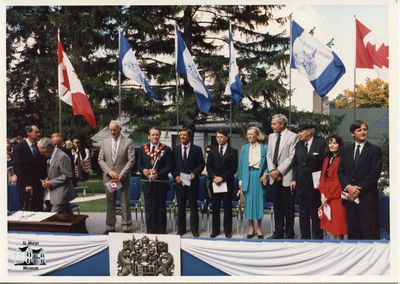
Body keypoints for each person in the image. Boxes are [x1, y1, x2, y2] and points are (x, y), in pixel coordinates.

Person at [338, 120, 382, 240]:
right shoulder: (346, 150)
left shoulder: (375, 150)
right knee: (353, 234)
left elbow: (374, 174)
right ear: (353, 133)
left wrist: (357, 190)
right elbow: (340, 171)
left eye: (365, 129)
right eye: (359, 130)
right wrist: (349, 187)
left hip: (367, 199)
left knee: (369, 233)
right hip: (350, 200)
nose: (363, 132)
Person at [290, 120, 326, 239]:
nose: (298, 134)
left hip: (315, 185)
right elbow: (296, 164)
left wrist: (322, 183)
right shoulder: (299, 145)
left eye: (301, 131)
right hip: (301, 184)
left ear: (309, 131)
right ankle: (304, 237)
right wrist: (294, 179)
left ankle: (317, 237)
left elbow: (325, 165)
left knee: (315, 213)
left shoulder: (321, 143)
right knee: (303, 213)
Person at [98, 120, 135, 234]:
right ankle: (110, 227)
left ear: (120, 129)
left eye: (115, 129)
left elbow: (131, 160)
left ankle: (126, 227)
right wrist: (109, 172)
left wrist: (121, 175)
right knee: (110, 203)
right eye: (111, 130)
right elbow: (100, 159)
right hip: (109, 178)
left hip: (122, 179)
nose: (113, 132)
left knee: (125, 203)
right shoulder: (105, 142)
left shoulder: (128, 142)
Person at [266, 114, 298, 239]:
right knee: (277, 205)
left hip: (286, 177)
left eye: (274, 124)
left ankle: (289, 232)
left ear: (282, 124)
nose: (272, 126)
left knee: (288, 206)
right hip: (274, 177)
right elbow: (268, 155)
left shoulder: (293, 137)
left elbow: (292, 157)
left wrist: (279, 171)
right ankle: (278, 231)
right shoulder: (271, 136)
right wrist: (272, 171)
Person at [137, 127, 172, 234]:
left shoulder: (166, 149)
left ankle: (161, 232)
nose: (155, 137)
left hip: (160, 184)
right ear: (149, 136)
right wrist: (144, 171)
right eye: (153, 135)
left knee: (160, 209)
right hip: (147, 184)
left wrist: (157, 175)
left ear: (159, 136)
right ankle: (150, 232)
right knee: (149, 209)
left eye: (157, 135)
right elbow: (138, 163)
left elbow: (168, 166)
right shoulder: (143, 149)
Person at [172, 127, 205, 237]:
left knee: (193, 207)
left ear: (189, 137)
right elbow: (172, 166)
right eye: (181, 135)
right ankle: (181, 229)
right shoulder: (175, 149)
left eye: (184, 135)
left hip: (192, 182)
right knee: (180, 207)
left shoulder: (197, 149)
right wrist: (176, 176)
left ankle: (194, 229)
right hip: (180, 183)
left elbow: (201, 164)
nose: (182, 137)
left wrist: (194, 174)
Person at [237, 126, 269, 239]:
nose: (249, 136)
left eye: (252, 134)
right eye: (248, 134)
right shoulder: (244, 148)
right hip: (247, 177)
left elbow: (269, 165)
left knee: (259, 203)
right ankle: (251, 228)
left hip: (259, 177)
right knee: (249, 204)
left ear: (257, 135)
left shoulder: (264, 148)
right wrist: (240, 183)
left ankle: (259, 228)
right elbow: (241, 167)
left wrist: (266, 174)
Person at [207, 129, 238, 238]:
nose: (219, 139)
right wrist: (214, 177)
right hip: (214, 182)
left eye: (221, 137)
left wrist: (222, 178)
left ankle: (227, 230)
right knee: (215, 208)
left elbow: (233, 168)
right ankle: (215, 230)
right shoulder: (212, 150)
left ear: (226, 137)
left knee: (227, 207)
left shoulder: (233, 151)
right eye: (217, 137)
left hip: (227, 183)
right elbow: (209, 166)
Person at [37, 137, 76, 219]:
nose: (41, 154)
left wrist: (51, 182)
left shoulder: (62, 157)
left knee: (52, 218)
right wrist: (48, 179)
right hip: (58, 193)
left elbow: (67, 175)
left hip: (61, 194)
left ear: (50, 148)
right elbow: (56, 172)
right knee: (67, 217)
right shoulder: (52, 156)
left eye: (42, 152)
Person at [318, 135, 347, 239]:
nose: (332, 145)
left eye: (335, 143)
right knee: (328, 226)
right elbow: (322, 177)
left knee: (338, 227)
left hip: (337, 197)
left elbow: (339, 180)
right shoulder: (327, 158)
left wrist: (329, 196)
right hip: (326, 196)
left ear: (340, 144)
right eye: (330, 143)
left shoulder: (343, 159)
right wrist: (322, 193)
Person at [12, 125, 47, 211]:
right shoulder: (19, 147)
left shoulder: (39, 147)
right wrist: (25, 184)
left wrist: (44, 179)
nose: (39, 134)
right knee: (27, 211)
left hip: (38, 185)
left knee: (39, 210)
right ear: (28, 133)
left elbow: (42, 165)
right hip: (26, 186)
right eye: (36, 132)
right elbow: (18, 168)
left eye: (39, 132)